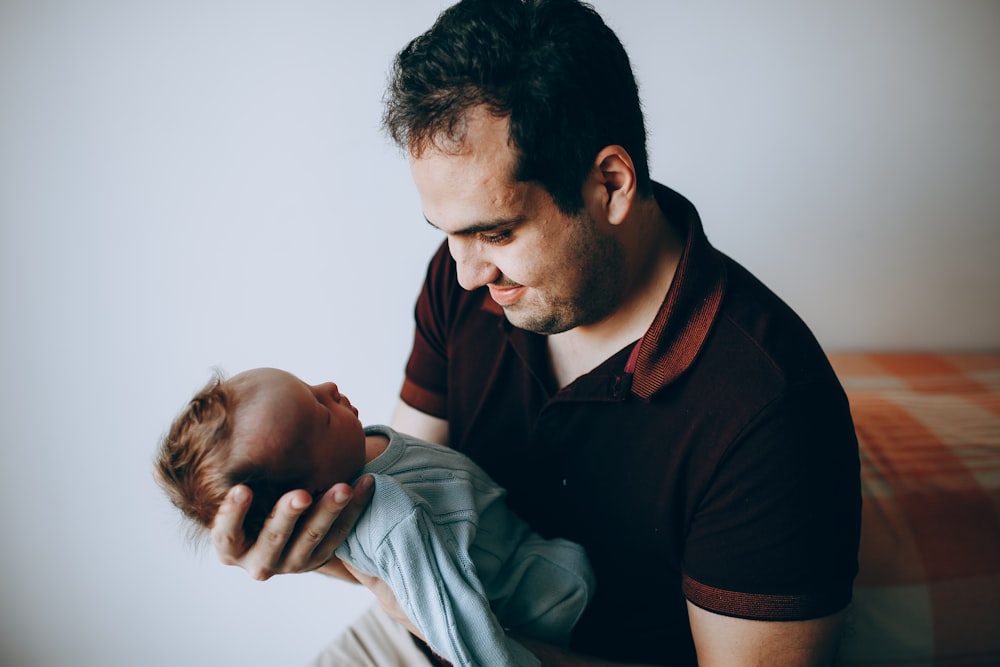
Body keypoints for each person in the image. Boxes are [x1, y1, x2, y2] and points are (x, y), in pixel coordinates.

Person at [209, 1, 863, 665]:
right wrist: (312, 539)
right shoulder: (470, 279)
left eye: (495, 231)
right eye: (450, 234)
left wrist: (422, 608)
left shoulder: (768, 410)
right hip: (422, 628)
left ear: (610, 184)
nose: (464, 274)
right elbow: (393, 478)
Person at [155, 367, 594, 667]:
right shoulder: (388, 516)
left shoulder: (357, 454)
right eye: (321, 413)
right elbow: (450, 618)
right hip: (543, 596)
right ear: (311, 496)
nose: (329, 387)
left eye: (309, 386)